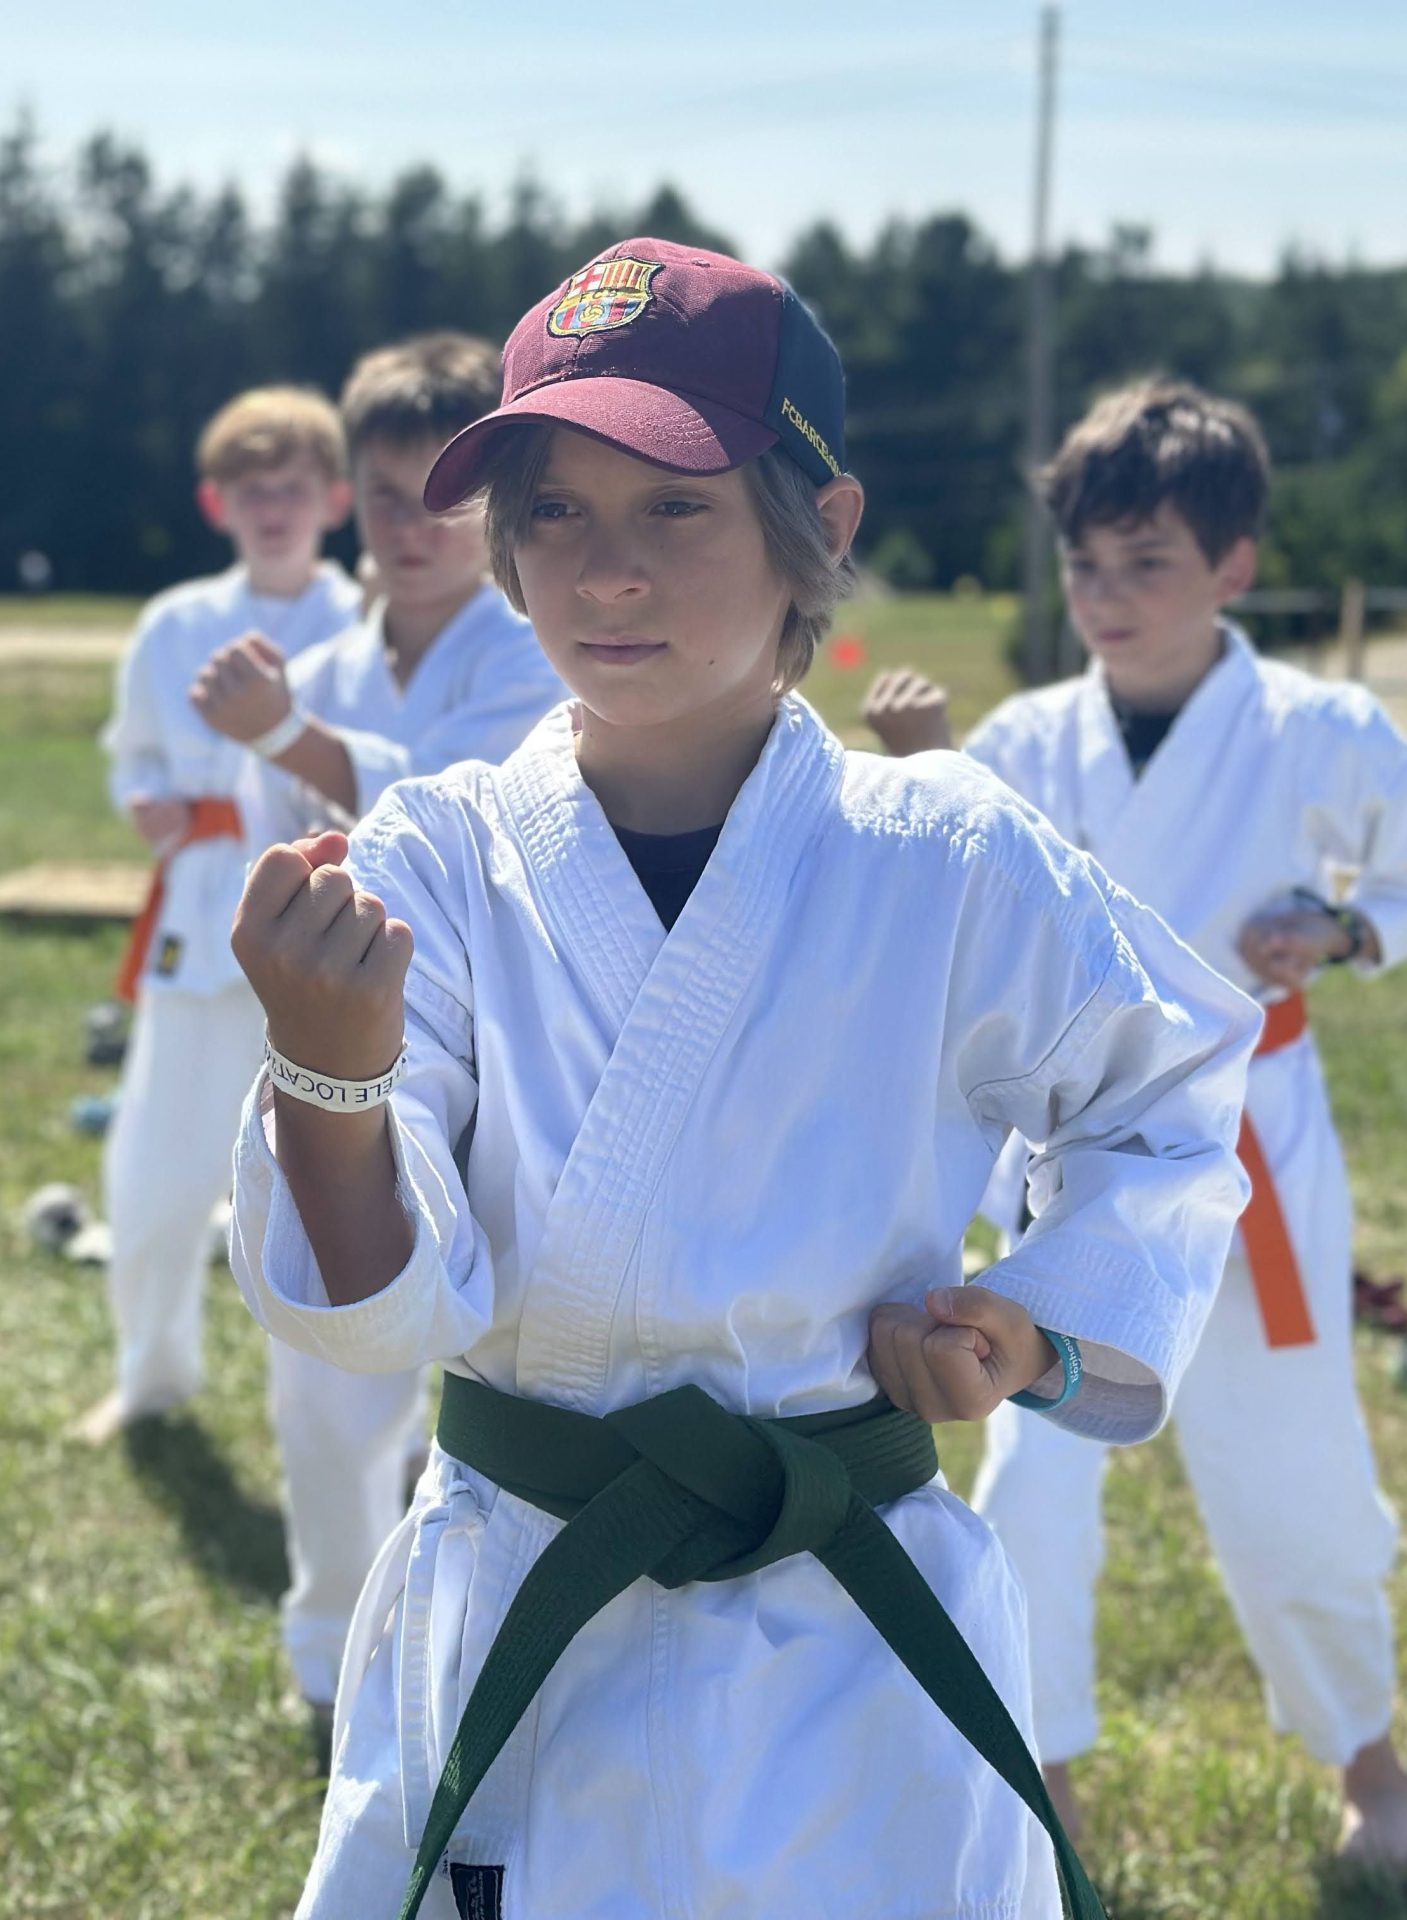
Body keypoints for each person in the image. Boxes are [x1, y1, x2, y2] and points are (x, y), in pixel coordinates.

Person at [228, 239, 1262, 1920]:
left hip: (846, 1617)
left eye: (676, 507)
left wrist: (1034, 1324)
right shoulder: (439, 857)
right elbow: (370, 1316)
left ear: (821, 526)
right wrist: (324, 1078)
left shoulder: (946, 853)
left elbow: (1172, 1097)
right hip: (535, 1591)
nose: (605, 571)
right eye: (553, 512)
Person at [864, 377, 1407, 1873]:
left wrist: (1338, 927)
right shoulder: (1026, 738)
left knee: (1293, 1462)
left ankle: (1368, 1756)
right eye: (1084, 564)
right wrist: (932, 775)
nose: (1106, 595)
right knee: (1031, 1482)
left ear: (1234, 566)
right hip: (1068, 1157)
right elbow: (961, 905)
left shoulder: (1318, 728)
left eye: (1146, 562)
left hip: (1254, 1146)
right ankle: (1040, 1777)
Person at [191, 332, 565, 1726]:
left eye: (443, 500)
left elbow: (463, 796)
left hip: (511, 1050)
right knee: (324, 1376)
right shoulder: (327, 663)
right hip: (337, 1049)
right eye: (388, 496)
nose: (412, 529)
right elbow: (274, 846)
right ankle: (334, 1660)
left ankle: (504, 1657)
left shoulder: (535, 650)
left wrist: (286, 736)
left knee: (513, 1364)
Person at [77, 388, 361, 1443]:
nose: (273, 511)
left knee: (352, 1190)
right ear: (216, 504)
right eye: (252, 493)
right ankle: (151, 1374)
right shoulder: (173, 623)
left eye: (292, 489)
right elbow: (133, 753)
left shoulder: (365, 621)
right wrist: (148, 806)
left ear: (333, 500)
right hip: (199, 931)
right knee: (154, 1178)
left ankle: (366, 1415)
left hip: (331, 931)